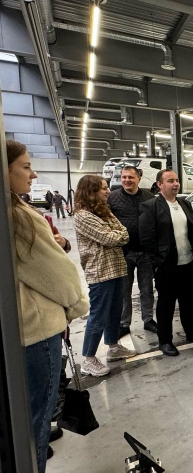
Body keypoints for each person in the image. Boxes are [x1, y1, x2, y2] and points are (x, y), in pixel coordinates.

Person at [7, 140, 89, 472]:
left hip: (22, 332)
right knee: (37, 423)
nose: (34, 174)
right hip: (37, 333)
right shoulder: (19, 218)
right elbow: (59, 276)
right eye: (26, 166)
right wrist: (77, 305)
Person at [74, 175, 137, 377]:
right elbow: (109, 238)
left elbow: (124, 233)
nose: (108, 191)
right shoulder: (82, 216)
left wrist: (116, 234)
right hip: (100, 272)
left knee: (114, 311)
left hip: (116, 268)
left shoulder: (104, 211)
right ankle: (88, 359)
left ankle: (113, 347)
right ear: (90, 192)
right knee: (99, 314)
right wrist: (116, 235)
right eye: (103, 188)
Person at [139, 170, 193, 357]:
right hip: (166, 266)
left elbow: (192, 232)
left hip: (188, 262)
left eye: (176, 180)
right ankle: (165, 340)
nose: (175, 184)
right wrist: (158, 262)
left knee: (187, 301)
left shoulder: (185, 204)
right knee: (166, 305)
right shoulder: (150, 206)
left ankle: (192, 332)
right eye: (170, 181)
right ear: (160, 185)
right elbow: (147, 238)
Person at [107, 165, 157, 338]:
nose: (127, 180)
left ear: (139, 179)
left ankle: (148, 319)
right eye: (124, 177)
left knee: (147, 289)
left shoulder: (149, 197)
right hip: (123, 253)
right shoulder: (112, 198)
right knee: (124, 291)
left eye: (131, 177)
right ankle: (124, 323)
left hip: (145, 253)